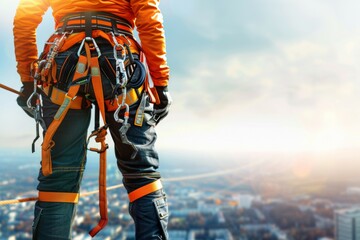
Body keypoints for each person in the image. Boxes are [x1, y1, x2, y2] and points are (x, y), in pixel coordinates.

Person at [13, 0, 171, 239]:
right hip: (119, 60)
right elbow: (149, 19)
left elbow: (25, 17)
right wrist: (160, 84)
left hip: (62, 61)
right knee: (142, 172)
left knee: (58, 177)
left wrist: (27, 80)